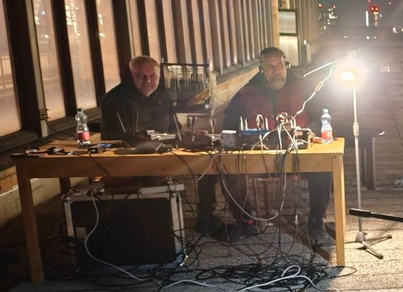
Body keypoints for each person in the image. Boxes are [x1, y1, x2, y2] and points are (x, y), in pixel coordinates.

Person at [196, 47, 331, 245]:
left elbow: (321, 117)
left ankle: (315, 222)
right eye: (270, 67)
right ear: (261, 69)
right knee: (230, 168)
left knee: (323, 166)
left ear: (286, 65)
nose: (276, 70)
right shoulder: (247, 91)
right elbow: (230, 122)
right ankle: (246, 221)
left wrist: (308, 131)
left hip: (296, 151)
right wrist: (236, 140)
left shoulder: (305, 88)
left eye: (280, 66)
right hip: (257, 153)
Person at [100, 55, 175, 141]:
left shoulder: (163, 94)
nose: (147, 80)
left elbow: (175, 128)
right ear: (130, 77)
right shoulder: (114, 99)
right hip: (127, 152)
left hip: (165, 149)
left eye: (152, 76)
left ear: (159, 76)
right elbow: (117, 138)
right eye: (140, 76)